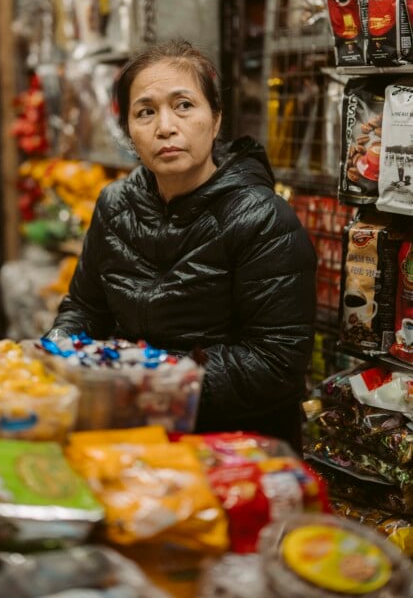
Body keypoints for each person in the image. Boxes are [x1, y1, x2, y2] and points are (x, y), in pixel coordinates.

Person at [45, 39, 316, 451]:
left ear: (216, 119)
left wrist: (156, 383)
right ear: (130, 131)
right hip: (135, 432)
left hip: (235, 444)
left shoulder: (263, 218)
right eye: (145, 112)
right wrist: (59, 355)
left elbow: (276, 361)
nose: (165, 127)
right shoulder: (115, 204)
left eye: (184, 105)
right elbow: (86, 307)